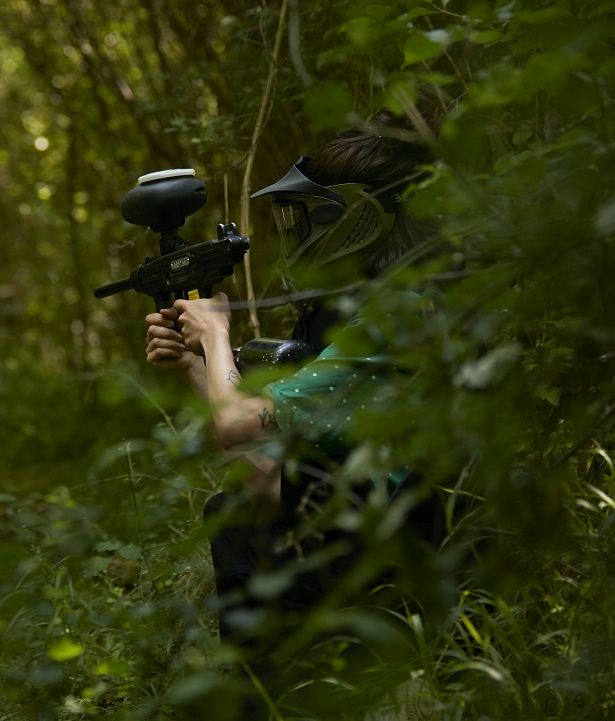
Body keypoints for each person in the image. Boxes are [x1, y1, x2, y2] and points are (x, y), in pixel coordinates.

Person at [144, 98, 446, 717]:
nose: (294, 232)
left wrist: (219, 335)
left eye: (305, 216)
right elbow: (257, 460)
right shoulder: (354, 314)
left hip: (398, 559)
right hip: (354, 542)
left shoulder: (399, 316)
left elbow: (240, 427)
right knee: (239, 507)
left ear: (356, 220)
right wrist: (198, 367)